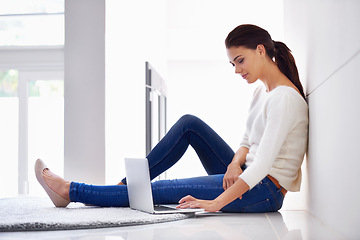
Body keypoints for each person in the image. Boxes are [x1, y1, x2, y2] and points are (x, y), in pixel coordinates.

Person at [35, 24, 308, 213]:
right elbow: (248, 141)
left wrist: (215, 204)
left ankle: (71, 191)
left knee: (161, 189)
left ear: (261, 50)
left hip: (263, 191)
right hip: (247, 175)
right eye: (232, 64)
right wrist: (235, 163)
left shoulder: (285, 99)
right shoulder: (263, 93)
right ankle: (124, 187)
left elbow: (262, 165)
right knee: (190, 124)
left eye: (240, 60)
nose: (236, 70)